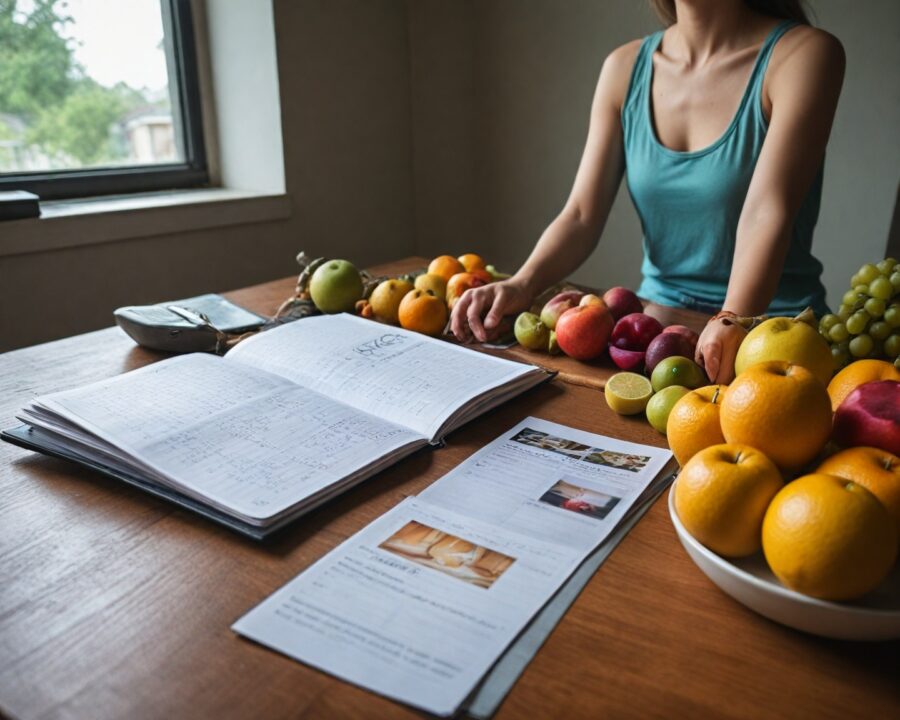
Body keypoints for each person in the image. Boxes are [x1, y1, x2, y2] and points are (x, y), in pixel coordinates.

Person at [450, 0, 844, 384]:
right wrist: (522, 283)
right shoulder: (623, 68)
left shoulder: (805, 55)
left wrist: (731, 319)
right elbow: (581, 215)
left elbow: (766, 212)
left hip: (773, 335)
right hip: (657, 332)